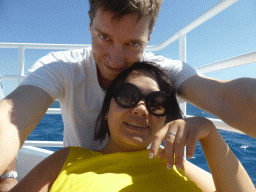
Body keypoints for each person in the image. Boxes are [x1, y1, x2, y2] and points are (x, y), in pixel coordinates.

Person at [0, 0, 256, 187]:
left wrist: (208, 132)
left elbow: (229, 98)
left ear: (149, 35)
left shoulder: (161, 73)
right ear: (90, 25)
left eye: (132, 43)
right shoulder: (63, 68)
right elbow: (13, 117)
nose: (115, 58)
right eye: (104, 37)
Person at [9, 62, 255, 192]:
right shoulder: (67, 160)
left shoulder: (177, 166)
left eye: (156, 103)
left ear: (164, 118)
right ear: (106, 111)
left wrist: (210, 134)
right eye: (127, 96)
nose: (141, 109)